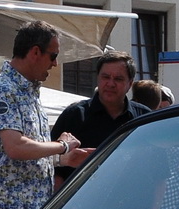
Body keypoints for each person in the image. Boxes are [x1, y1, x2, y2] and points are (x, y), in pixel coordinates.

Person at [0, 20, 86, 209]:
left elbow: (20, 154)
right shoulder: (1, 89)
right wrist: (62, 146)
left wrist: (61, 159)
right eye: (53, 56)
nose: (55, 64)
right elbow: (16, 147)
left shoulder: (27, 92)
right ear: (35, 52)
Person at [53, 51, 149, 186]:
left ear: (130, 83)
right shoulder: (74, 115)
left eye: (118, 79)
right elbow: (55, 170)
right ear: (98, 78)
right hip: (82, 204)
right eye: (106, 77)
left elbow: (158, 172)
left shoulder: (145, 119)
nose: (110, 84)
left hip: (131, 202)